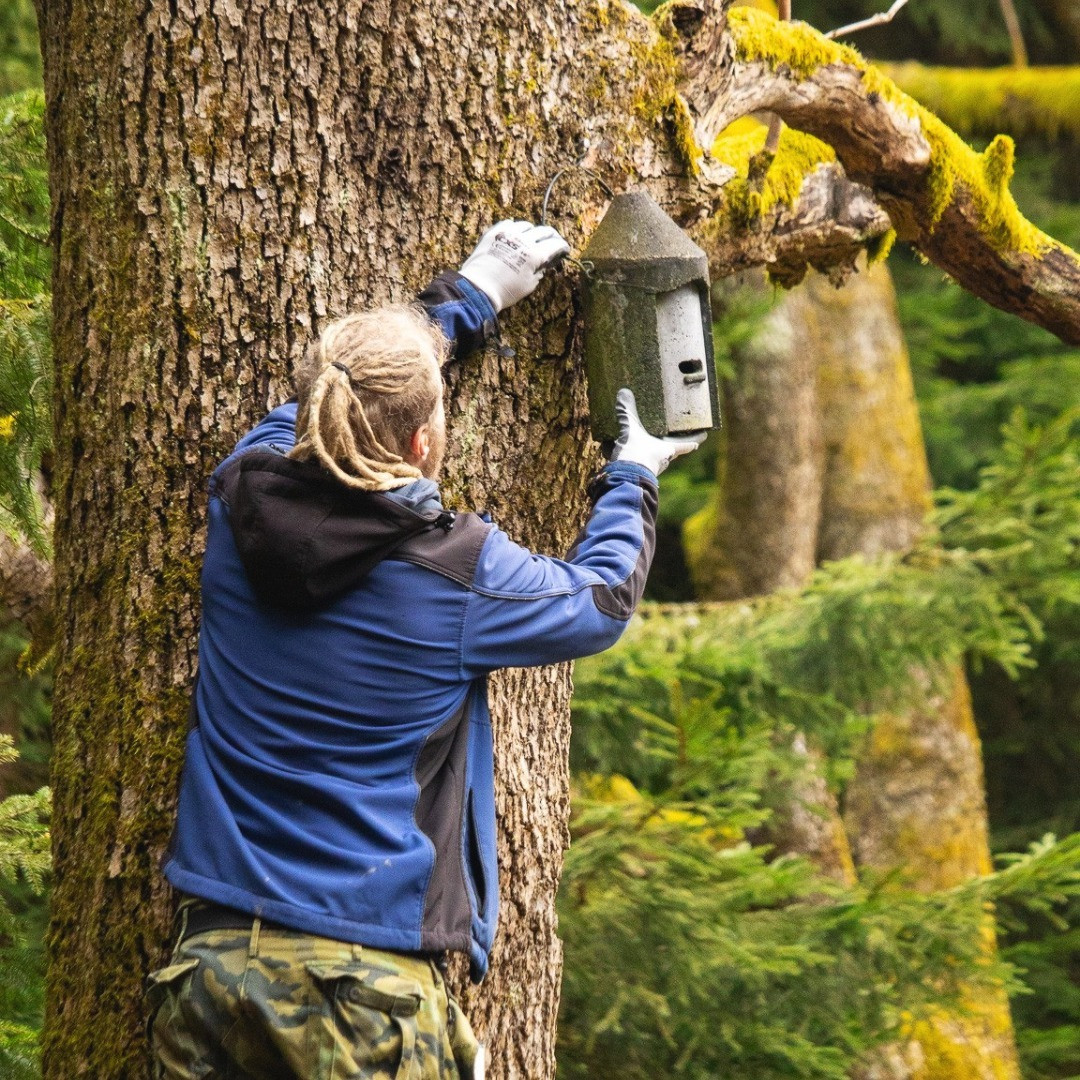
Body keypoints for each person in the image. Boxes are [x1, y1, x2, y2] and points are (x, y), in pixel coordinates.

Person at [146, 220, 704, 1079]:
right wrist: (633, 474)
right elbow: (599, 601)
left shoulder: (240, 491)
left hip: (210, 967)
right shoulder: (459, 578)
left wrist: (467, 298)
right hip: (362, 988)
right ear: (421, 445)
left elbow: (334, 398)